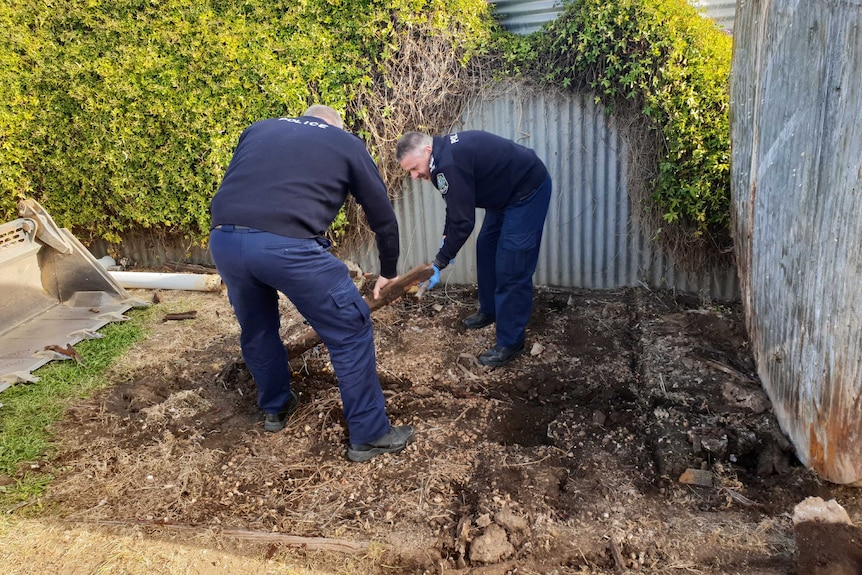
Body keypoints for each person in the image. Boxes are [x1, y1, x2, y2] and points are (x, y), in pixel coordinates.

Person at [209, 104, 414, 462]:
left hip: (225, 240)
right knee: (350, 328)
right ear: (333, 123)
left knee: (257, 329)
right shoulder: (344, 141)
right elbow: (382, 215)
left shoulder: (259, 127)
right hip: (287, 247)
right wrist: (388, 270)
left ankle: (276, 408)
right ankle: (370, 434)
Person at [396, 130, 552, 367]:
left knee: (512, 266)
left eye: (414, 168)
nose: (415, 176)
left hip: (526, 191)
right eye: (410, 172)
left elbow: (464, 222)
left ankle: (511, 342)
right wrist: (445, 239)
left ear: (427, 150)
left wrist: (440, 261)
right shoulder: (439, 162)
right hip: (503, 196)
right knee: (486, 248)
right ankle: (490, 310)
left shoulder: (447, 163)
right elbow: (455, 207)